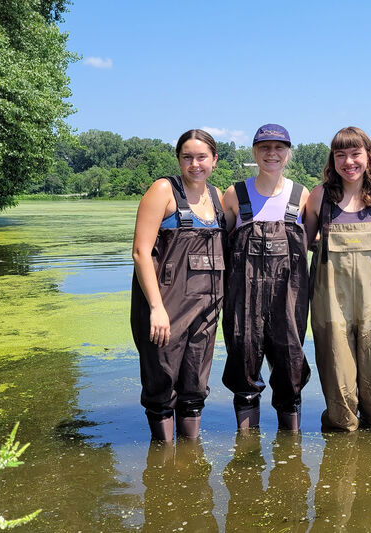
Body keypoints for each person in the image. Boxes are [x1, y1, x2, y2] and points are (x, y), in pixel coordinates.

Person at [130, 129, 226, 442]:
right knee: (161, 383)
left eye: (201, 157)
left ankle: (189, 457)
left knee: (195, 385)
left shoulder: (218, 197)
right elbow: (141, 251)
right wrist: (156, 308)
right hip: (165, 306)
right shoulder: (163, 190)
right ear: (179, 160)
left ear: (214, 160)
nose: (194, 164)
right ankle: (161, 462)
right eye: (187, 157)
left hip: (207, 309)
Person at [303, 126, 371, 432]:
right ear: (333, 159)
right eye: (340, 154)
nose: (348, 161)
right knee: (339, 389)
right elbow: (299, 247)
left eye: (355, 153)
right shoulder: (319, 197)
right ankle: (341, 454)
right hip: (332, 309)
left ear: (368, 156)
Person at [222, 123, 311, 432]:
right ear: (254, 153)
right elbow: (219, 245)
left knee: (289, 371)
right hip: (242, 301)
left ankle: (291, 445)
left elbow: (312, 244)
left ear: (288, 153)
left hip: (289, 301)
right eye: (264, 148)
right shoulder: (235, 194)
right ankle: (246, 444)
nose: (271, 154)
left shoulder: (302, 196)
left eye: (279, 148)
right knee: (243, 368)